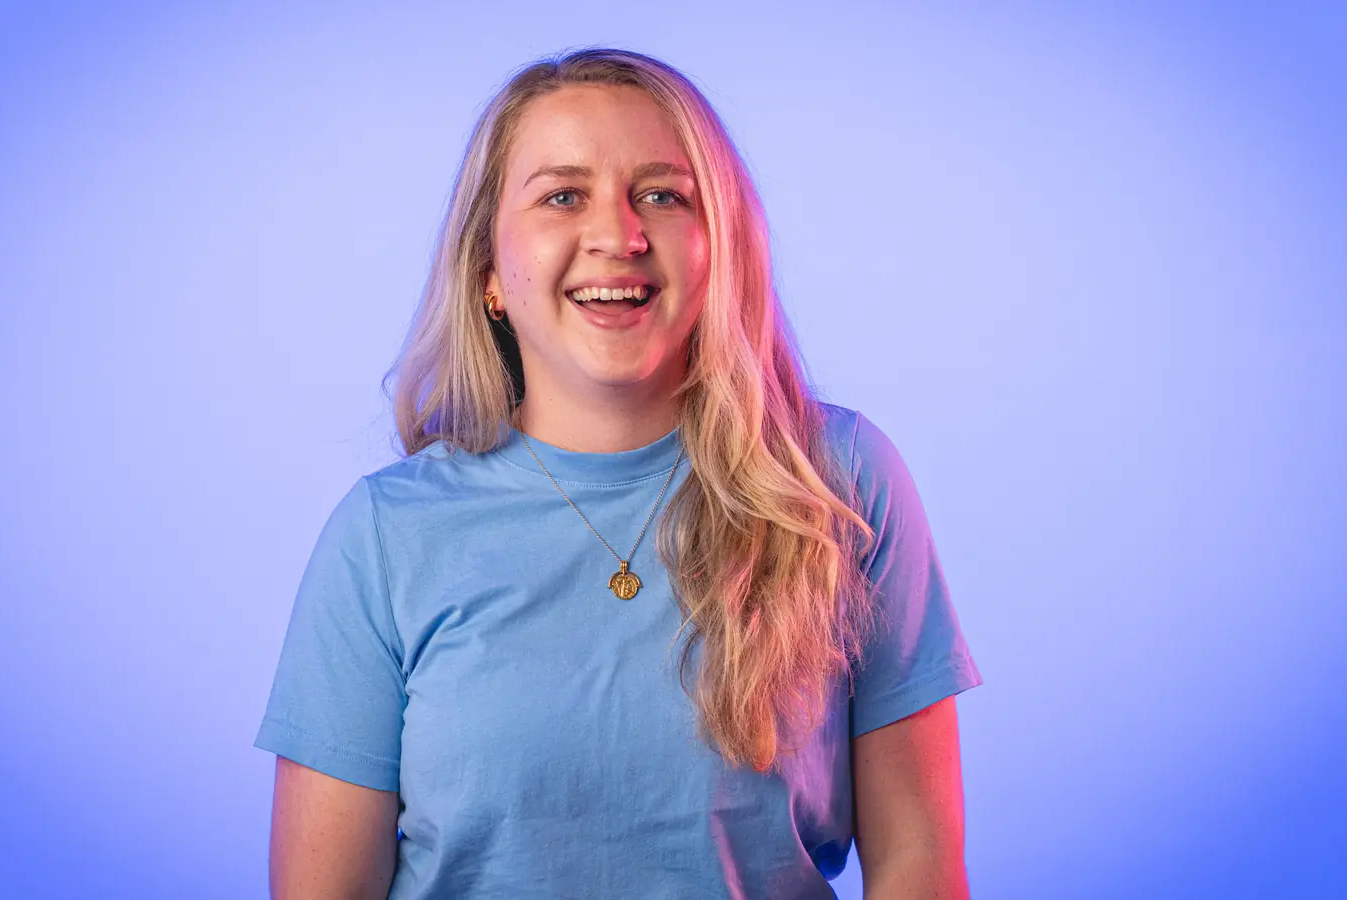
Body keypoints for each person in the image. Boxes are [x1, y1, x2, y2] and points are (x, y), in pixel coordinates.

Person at [254, 47, 983, 900]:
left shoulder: (840, 482)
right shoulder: (385, 534)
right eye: (563, 196)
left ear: (719, 249)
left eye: (663, 196)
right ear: (490, 273)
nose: (619, 236)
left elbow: (917, 860)